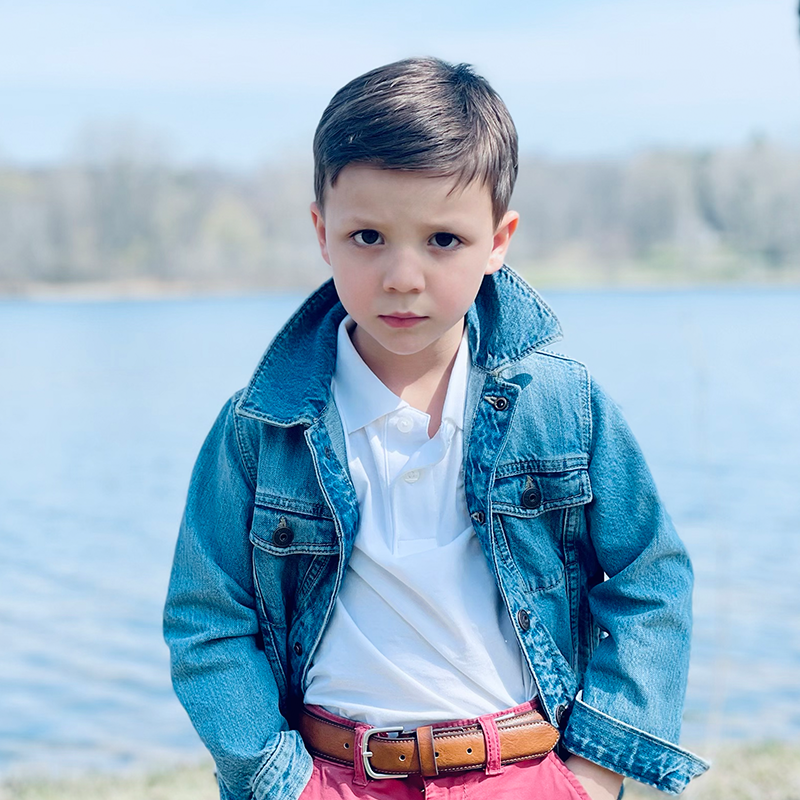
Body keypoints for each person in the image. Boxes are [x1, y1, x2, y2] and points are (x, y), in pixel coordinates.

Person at [163, 57, 709, 800]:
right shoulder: (262, 428)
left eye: (443, 240)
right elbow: (208, 619)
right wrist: (278, 780)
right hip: (332, 777)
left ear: (499, 240)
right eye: (367, 237)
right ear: (322, 232)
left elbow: (651, 576)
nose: (402, 275)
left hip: (521, 770)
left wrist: (591, 773)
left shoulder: (560, 406)